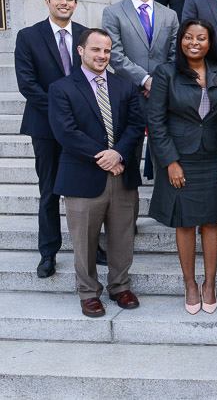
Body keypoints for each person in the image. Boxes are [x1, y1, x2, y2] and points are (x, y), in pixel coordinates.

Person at [48, 29, 145, 318]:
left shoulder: (124, 86)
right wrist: (102, 156)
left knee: (122, 237)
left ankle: (120, 286)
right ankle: (89, 292)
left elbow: (136, 125)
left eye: (106, 51)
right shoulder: (62, 88)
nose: (102, 56)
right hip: (82, 177)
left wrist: (118, 153)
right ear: (81, 51)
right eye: (96, 50)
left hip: (122, 175)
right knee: (85, 242)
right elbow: (66, 132)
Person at [147, 19, 217, 315]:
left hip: (213, 157)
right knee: (185, 223)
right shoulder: (166, 73)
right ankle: (189, 283)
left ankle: (210, 283)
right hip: (180, 159)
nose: (194, 43)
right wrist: (170, 161)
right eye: (188, 37)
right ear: (180, 41)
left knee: (211, 222)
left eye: (201, 38)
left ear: (210, 42)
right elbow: (156, 122)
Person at [15, 0, 89, 278]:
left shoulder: (86, 35)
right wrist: (62, 111)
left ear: (75, 2)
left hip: (83, 128)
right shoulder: (29, 36)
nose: (64, 3)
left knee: (86, 192)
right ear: (47, 1)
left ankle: (91, 247)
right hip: (44, 127)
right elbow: (27, 84)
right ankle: (48, 252)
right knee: (48, 192)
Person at [105, 0, 179, 96]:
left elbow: (175, 54)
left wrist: (158, 82)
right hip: (127, 90)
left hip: (164, 90)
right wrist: (145, 80)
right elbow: (114, 54)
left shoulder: (170, 15)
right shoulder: (113, 13)